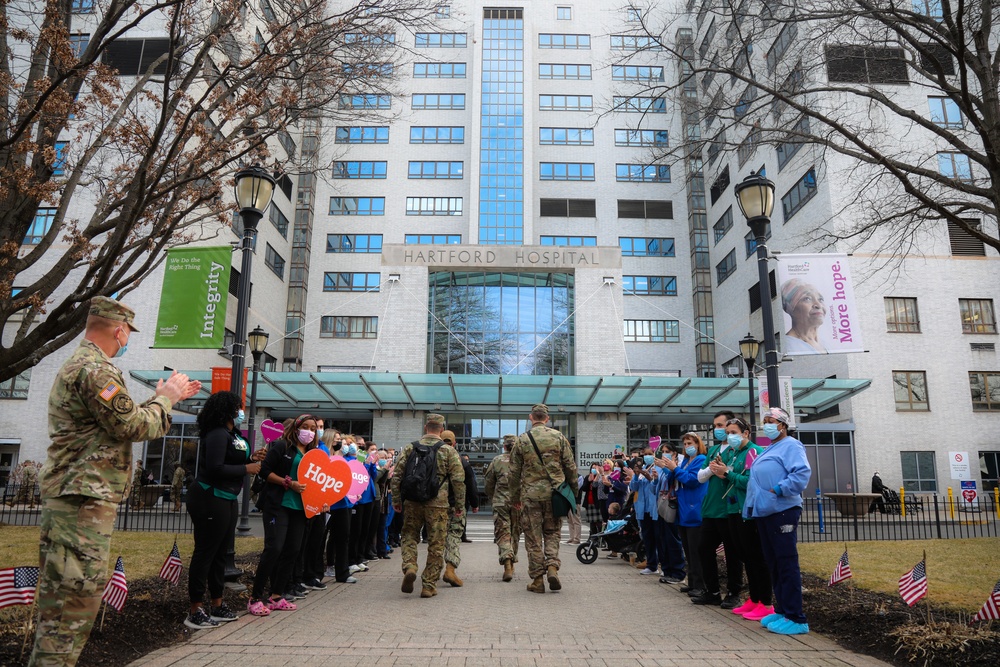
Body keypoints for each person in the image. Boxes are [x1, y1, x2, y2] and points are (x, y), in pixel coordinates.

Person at [30, 296, 201, 666]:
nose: (126, 341)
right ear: (119, 330)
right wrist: (167, 399)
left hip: (79, 499)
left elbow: (114, 421)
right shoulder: (95, 369)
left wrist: (159, 398)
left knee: (75, 604)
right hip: (80, 501)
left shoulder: (88, 367)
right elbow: (135, 424)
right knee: (68, 608)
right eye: (127, 335)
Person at [184, 391, 261, 629]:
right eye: (238, 407)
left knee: (221, 554)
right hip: (209, 496)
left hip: (227, 497)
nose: (242, 411)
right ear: (226, 409)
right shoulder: (217, 434)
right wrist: (247, 468)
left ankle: (217, 605)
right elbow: (216, 468)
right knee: (205, 553)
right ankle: (195, 609)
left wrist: (251, 458)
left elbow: (234, 460)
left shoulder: (233, 433)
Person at [744, 407, 812, 635]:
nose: (766, 425)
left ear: (783, 425)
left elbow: (801, 473)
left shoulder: (791, 445)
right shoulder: (771, 447)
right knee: (773, 562)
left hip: (782, 509)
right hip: (765, 511)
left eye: (771, 421)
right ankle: (783, 610)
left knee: (785, 562)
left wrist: (778, 489)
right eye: (764, 421)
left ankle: (796, 617)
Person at [247, 414, 318, 615]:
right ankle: (255, 598)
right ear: (296, 429)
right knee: (274, 549)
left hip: (300, 508)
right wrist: (288, 483)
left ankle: (277, 595)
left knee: (293, 550)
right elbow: (264, 471)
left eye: (313, 429)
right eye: (306, 427)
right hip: (278, 505)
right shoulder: (281, 446)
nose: (309, 432)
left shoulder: (313, 454)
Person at [391, 414, 465, 598]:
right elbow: (458, 480)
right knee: (436, 545)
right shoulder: (448, 451)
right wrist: (460, 505)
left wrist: (396, 500)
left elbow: (397, 476)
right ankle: (428, 585)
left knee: (409, 536)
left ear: (425, 427)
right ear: (441, 429)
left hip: (413, 502)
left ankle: (410, 566)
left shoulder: (410, 448)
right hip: (438, 504)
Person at [509, 404, 577, 594]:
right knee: (553, 532)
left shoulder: (522, 440)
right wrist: (573, 493)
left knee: (533, 538)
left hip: (530, 496)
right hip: (555, 495)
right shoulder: (559, 437)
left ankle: (538, 580)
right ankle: (553, 567)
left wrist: (515, 497)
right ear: (547, 418)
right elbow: (570, 467)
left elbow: (513, 473)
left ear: (531, 417)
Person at [719, 418, 773, 621]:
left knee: (755, 556)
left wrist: (728, 475)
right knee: (744, 555)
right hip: (733, 508)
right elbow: (732, 478)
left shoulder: (755, 452)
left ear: (746, 433)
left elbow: (751, 481)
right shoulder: (733, 454)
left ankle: (766, 602)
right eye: (728, 432)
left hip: (747, 510)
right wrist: (723, 473)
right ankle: (754, 598)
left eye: (734, 432)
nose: (730, 436)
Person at [694, 410, 745, 607]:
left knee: (733, 554)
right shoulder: (714, 451)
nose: (718, 430)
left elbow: (731, 474)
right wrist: (712, 469)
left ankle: (734, 593)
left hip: (729, 509)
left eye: (721, 426)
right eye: (715, 426)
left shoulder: (736, 450)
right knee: (704, 549)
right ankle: (712, 591)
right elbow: (700, 477)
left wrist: (721, 470)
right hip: (710, 509)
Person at [664, 433, 708, 593]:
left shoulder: (701, 460)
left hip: (694, 508)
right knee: (688, 549)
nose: (687, 446)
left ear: (697, 444)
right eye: (685, 443)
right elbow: (675, 478)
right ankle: (692, 581)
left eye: (690, 443)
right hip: (683, 509)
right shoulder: (684, 462)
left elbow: (692, 480)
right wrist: (669, 468)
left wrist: (675, 468)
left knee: (696, 550)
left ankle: (699, 584)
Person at [484, 434, 522, 581]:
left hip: (500, 502)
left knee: (503, 533)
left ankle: (507, 562)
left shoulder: (497, 460)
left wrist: (494, 495)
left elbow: (488, 484)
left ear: (504, 446)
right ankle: (512, 564)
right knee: (515, 533)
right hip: (518, 503)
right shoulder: (522, 462)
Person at [323, 432, 357, 584]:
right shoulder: (324, 455)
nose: (341, 444)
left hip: (343, 503)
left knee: (343, 537)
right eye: (337, 440)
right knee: (326, 538)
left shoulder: (341, 458)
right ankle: (323, 569)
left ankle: (342, 572)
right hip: (328, 504)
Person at [441, 431, 467, 586]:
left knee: (436, 539)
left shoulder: (429, 455)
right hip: (452, 504)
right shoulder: (459, 459)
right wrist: (463, 504)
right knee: (454, 536)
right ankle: (450, 570)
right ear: (454, 443)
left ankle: (429, 576)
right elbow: (464, 482)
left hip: (434, 505)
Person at [629, 447, 660, 575]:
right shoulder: (641, 470)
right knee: (647, 537)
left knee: (658, 537)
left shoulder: (657, 468)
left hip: (654, 508)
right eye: (645, 454)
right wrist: (636, 476)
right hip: (642, 509)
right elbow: (633, 487)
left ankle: (661, 563)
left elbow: (659, 485)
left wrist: (650, 478)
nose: (647, 456)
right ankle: (651, 564)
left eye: (650, 454)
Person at [780, 279, 829, 354]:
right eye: (807, 299)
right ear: (790, 307)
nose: (818, 305)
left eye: (820, 299)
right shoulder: (787, 347)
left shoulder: (826, 345)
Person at [460, 453, 478, 542]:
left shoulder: (469, 470)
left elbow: (472, 485)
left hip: (464, 498)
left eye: (467, 460)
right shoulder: (465, 469)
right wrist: (475, 504)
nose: (466, 461)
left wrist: (474, 503)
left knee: (463, 518)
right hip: (458, 498)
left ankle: (463, 535)